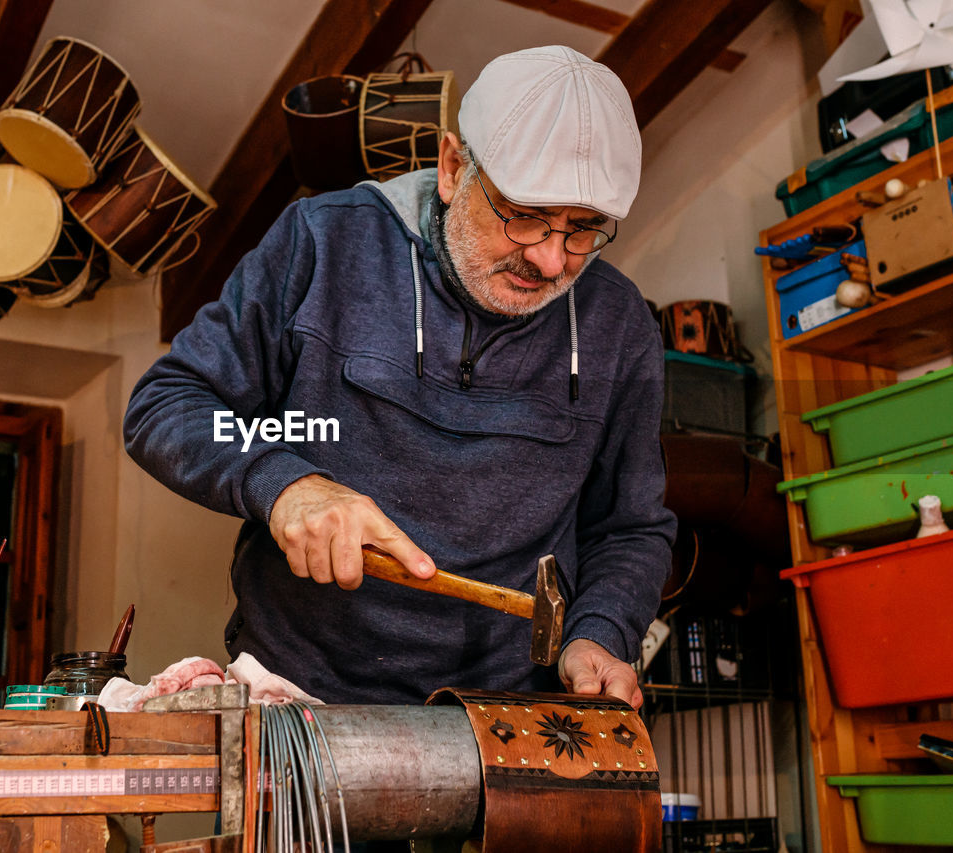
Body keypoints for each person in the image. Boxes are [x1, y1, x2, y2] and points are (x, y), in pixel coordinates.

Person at [124, 45, 675, 708]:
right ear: (452, 167)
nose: (552, 260)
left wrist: (599, 633)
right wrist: (286, 485)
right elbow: (166, 405)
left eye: (583, 230)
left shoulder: (620, 326)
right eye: (523, 216)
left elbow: (630, 524)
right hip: (300, 694)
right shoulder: (324, 244)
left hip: (504, 714)